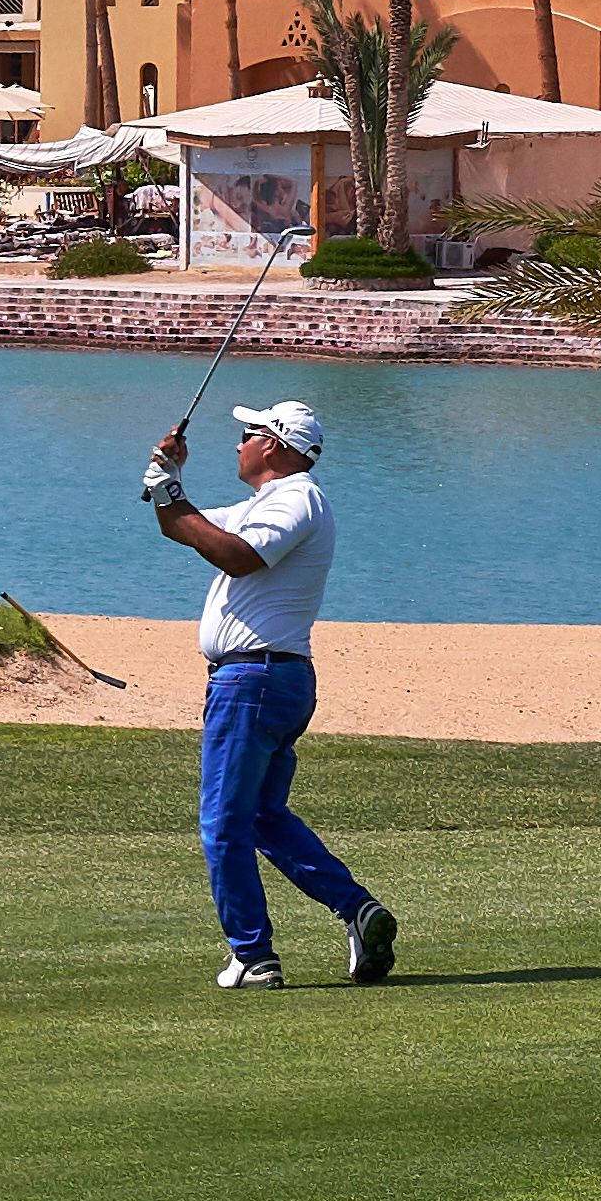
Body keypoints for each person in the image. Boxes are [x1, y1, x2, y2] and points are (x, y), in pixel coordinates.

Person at [146, 394, 397, 993]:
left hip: (254, 680)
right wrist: (168, 480)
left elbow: (237, 558)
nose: (239, 443)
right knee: (259, 814)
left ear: (276, 446)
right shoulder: (269, 502)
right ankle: (358, 910)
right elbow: (191, 530)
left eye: (249, 433)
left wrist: (169, 490)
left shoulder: (296, 498)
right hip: (266, 679)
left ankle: (253, 956)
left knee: (223, 821)